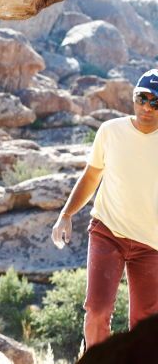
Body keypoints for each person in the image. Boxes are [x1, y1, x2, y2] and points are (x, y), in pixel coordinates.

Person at [51, 69, 158, 350]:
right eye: (142, 98)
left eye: (155, 101)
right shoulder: (111, 131)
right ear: (133, 98)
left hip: (152, 246)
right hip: (108, 231)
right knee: (97, 312)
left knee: (146, 325)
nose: (147, 107)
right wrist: (66, 215)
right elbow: (91, 176)